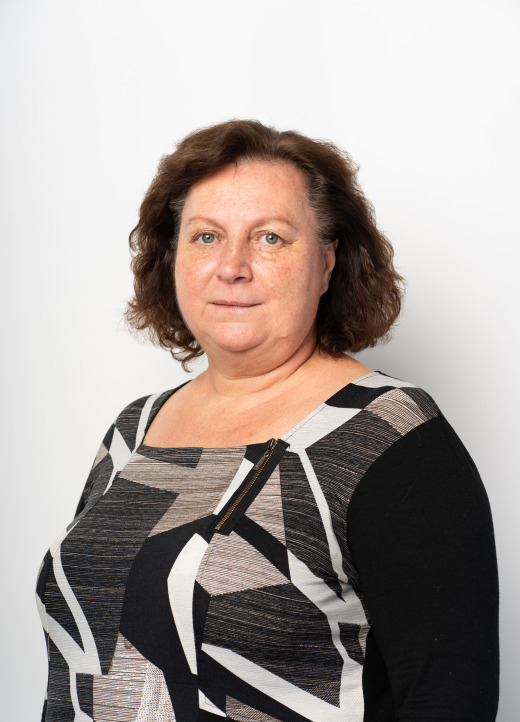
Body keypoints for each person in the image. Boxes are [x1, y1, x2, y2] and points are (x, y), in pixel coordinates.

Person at [36, 119, 499, 721]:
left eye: (270, 238)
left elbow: (449, 701)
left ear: (328, 262)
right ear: (173, 257)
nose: (232, 266)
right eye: (206, 237)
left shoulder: (390, 438)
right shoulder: (134, 431)